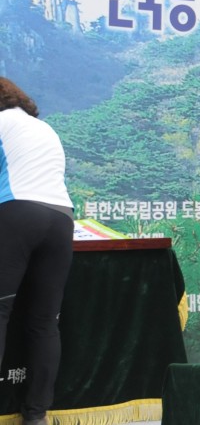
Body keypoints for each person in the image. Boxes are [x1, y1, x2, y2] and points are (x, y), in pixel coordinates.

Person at [0, 78, 74, 425]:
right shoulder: (45, 129)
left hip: (18, 213)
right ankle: (36, 415)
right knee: (45, 321)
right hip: (61, 219)